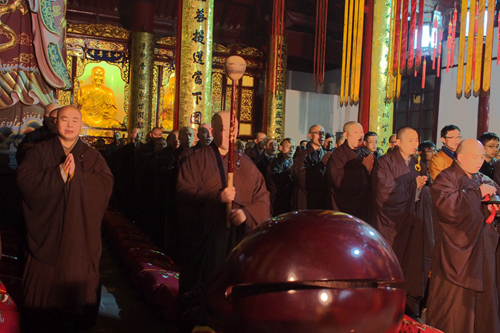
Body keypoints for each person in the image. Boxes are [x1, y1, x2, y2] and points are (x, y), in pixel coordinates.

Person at [16, 106, 113, 332]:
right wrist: (57, 175)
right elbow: (24, 179)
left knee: (75, 314)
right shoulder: (38, 151)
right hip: (45, 235)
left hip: (78, 238)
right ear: (55, 122)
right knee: (41, 315)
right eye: (64, 119)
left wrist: (77, 180)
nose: (69, 125)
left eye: (74, 120)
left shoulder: (92, 155)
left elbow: (105, 184)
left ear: (81, 124)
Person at [176, 111, 270, 296]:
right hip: (209, 238)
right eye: (225, 130)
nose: (230, 136)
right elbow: (183, 192)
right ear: (212, 131)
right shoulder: (196, 160)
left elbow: (263, 197)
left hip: (239, 239)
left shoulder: (246, 163)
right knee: (206, 289)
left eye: (233, 131)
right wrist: (216, 198)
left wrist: (247, 213)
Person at [427, 138, 500, 332]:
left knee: (484, 306)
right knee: (455, 310)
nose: (479, 161)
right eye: (474, 157)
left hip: (483, 251)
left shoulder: (482, 178)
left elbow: (495, 199)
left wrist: (495, 207)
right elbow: (447, 207)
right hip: (457, 253)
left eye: (481, 157)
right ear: (459, 157)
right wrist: (477, 194)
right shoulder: (447, 177)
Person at [372, 127, 433, 319]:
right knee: (392, 265)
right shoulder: (385, 162)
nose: (415, 144)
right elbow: (385, 193)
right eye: (410, 140)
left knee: (412, 266)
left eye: (417, 140)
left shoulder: (417, 163)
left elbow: (426, 187)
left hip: (413, 221)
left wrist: (421, 186)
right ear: (397, 142)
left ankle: (409, 308)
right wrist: (413, 185)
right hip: (392, 224)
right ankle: (386, 308)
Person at [327, 121, 373, 222]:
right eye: (356, 132)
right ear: (346, 135)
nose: (360, 135)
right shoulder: (338, 154)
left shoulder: (364, 153)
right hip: (344, 207)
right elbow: (338, 180)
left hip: (363, 206)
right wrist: (363, 169)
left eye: (361, 132)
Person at [292, 124, 331, 210]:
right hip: (306, 197)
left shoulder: (325, 154)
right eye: (318, 133)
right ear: (310, 136)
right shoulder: (303, 154)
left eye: (323, 134)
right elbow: (300, 175)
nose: (321, 136)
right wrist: (321, 164)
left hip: (322, 198)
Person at [267, 138, 295, 216]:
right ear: (281, 148)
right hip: (278, 198)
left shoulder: (296, 162)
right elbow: (275, 178)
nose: (291, 149)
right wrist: (290, 171)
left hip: (291, 198)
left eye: (293, 147)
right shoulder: (274, 161)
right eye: (288, 147)